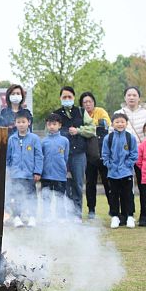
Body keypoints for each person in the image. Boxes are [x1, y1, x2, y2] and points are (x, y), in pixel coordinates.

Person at [53, 86, 91, 215]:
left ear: (74, 97)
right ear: (60, 98)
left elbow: (92, 129)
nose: (67, 99)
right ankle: (64, 215)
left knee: (78, 184)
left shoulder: (81, 111)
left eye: (69, 96)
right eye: (64, 97)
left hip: (79, 154)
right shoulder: (56, 114)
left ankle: (77, 214)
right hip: (62, 155)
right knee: (64, 184)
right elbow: (50, 131)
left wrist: (79, 130)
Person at [103, 111, 139, 229]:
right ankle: (115, 216)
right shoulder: (108, 138)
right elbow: (105, 154)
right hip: (112, 173)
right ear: (112, 124)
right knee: (114, 195)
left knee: (128, 195)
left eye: (122, 122)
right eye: (117, 122)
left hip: (126, 172)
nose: (120, 124)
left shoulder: (130, 137)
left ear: (126, 123)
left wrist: (128, 164)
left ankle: (129, 216)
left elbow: (134, 154)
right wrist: (109, 165)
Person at [79, 91, 111, 221]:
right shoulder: (80, 114)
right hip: (88, 154)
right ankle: (91, 210)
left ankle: (113, 208)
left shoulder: (101, 111)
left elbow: (105, 125)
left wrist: (88, 128)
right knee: (90, 183)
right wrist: (91, 127)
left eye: (90, 101)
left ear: (94, 102)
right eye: (85, 102)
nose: (88, 104)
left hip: (103, 152)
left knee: (107, 182)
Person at [6, 111, 41, 227]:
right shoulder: (12, 139)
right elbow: (8, 157)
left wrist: (37, 171)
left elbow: (39, 156)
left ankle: (32, 217)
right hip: (15, 174)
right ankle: (17, 217)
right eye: (18, 122)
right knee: (16, 196)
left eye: (23, 122)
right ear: (15, 123)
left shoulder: (34, 138)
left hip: (29, 174)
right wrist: (8, 171)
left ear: (29, 123)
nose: (21, 124)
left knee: (31, 196)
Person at [38, 114, 70, 222]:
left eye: (54, 124)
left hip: (60, 175)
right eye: (49, 124)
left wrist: (63, 168)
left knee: (60, 197)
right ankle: (46, 216)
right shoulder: (43, 141)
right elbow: (41, 157)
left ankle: (61, 217)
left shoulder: (64, 141)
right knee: (46, 197)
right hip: (46, 174)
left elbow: (66, 157)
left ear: (59, 125)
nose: (51, 126)